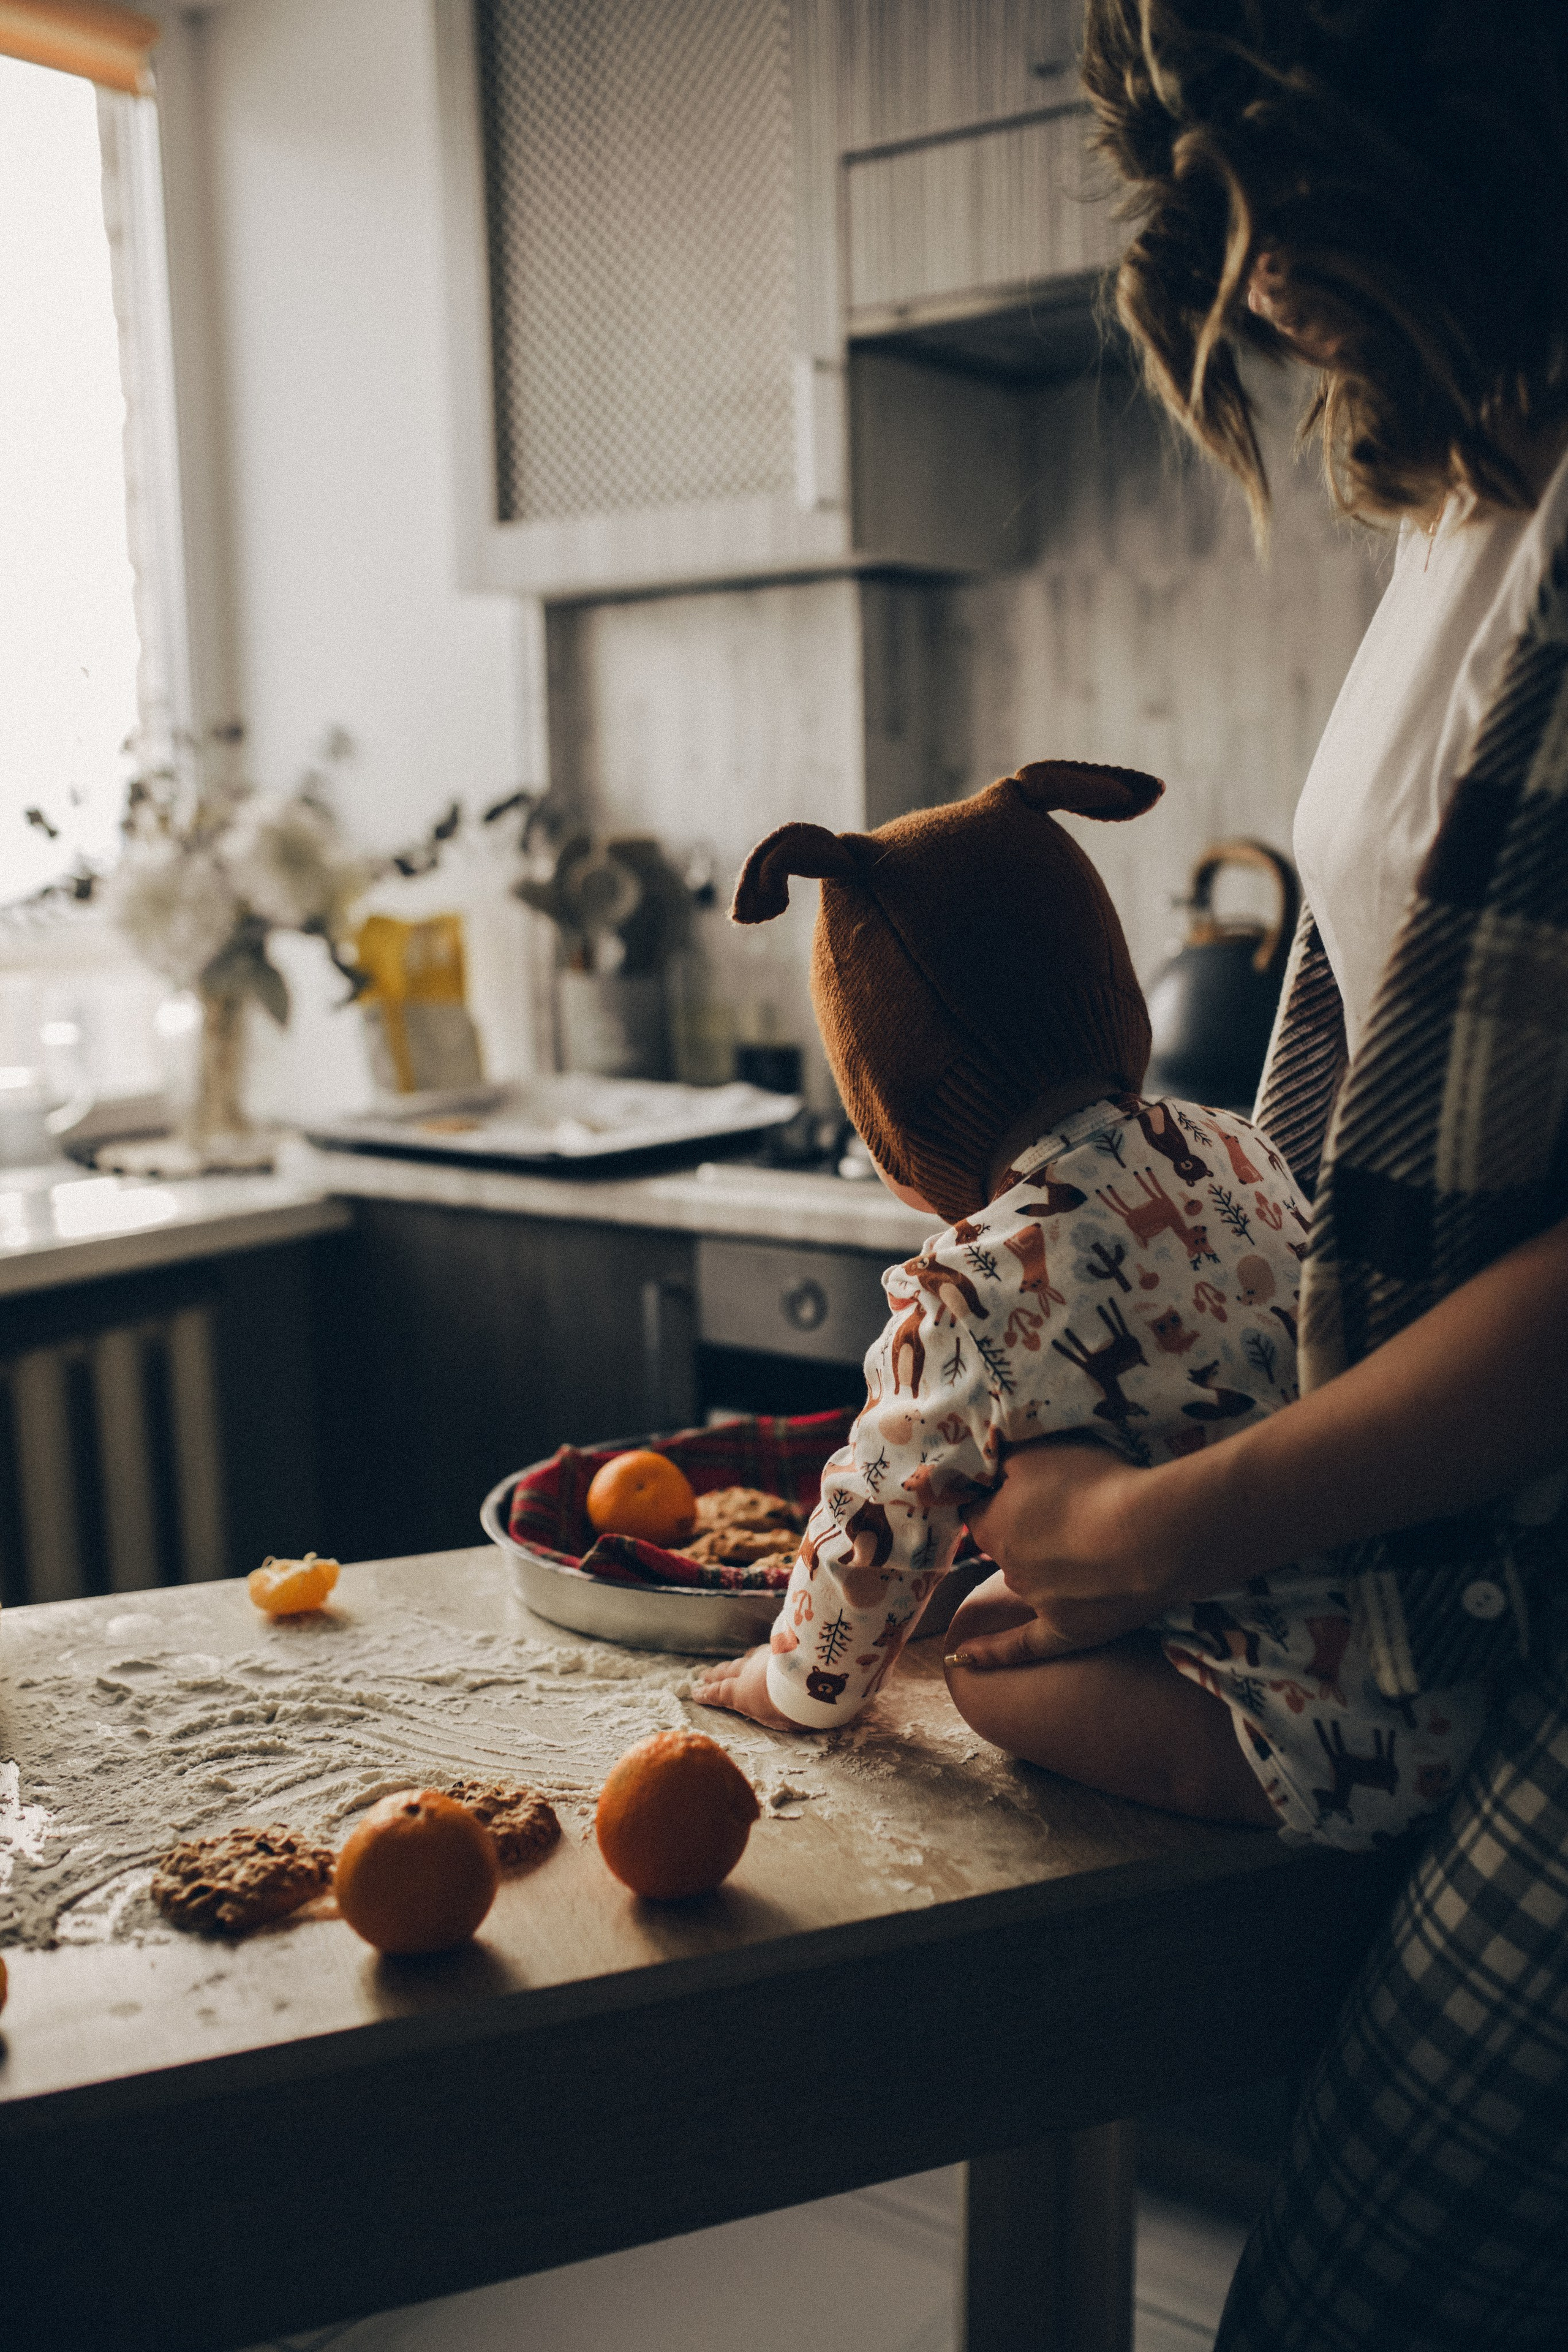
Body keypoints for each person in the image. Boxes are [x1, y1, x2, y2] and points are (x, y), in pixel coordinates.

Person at [922, 3, 1568, 2344]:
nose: (1225, 252)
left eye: (1255, 160)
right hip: (1442, 1598)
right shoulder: (1466, 506)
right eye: (1186, 180)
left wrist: (1162, 1524)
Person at [693, 760, 1488, 1853]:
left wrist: (791, 1686)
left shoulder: (964, 1285)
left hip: (1337, 1743)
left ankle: (1273, 1822)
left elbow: (872, 1522)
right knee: (994, 1614)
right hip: (1451, 1641)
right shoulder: (1242, 1149)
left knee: (977, 1671)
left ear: (897, 1114)